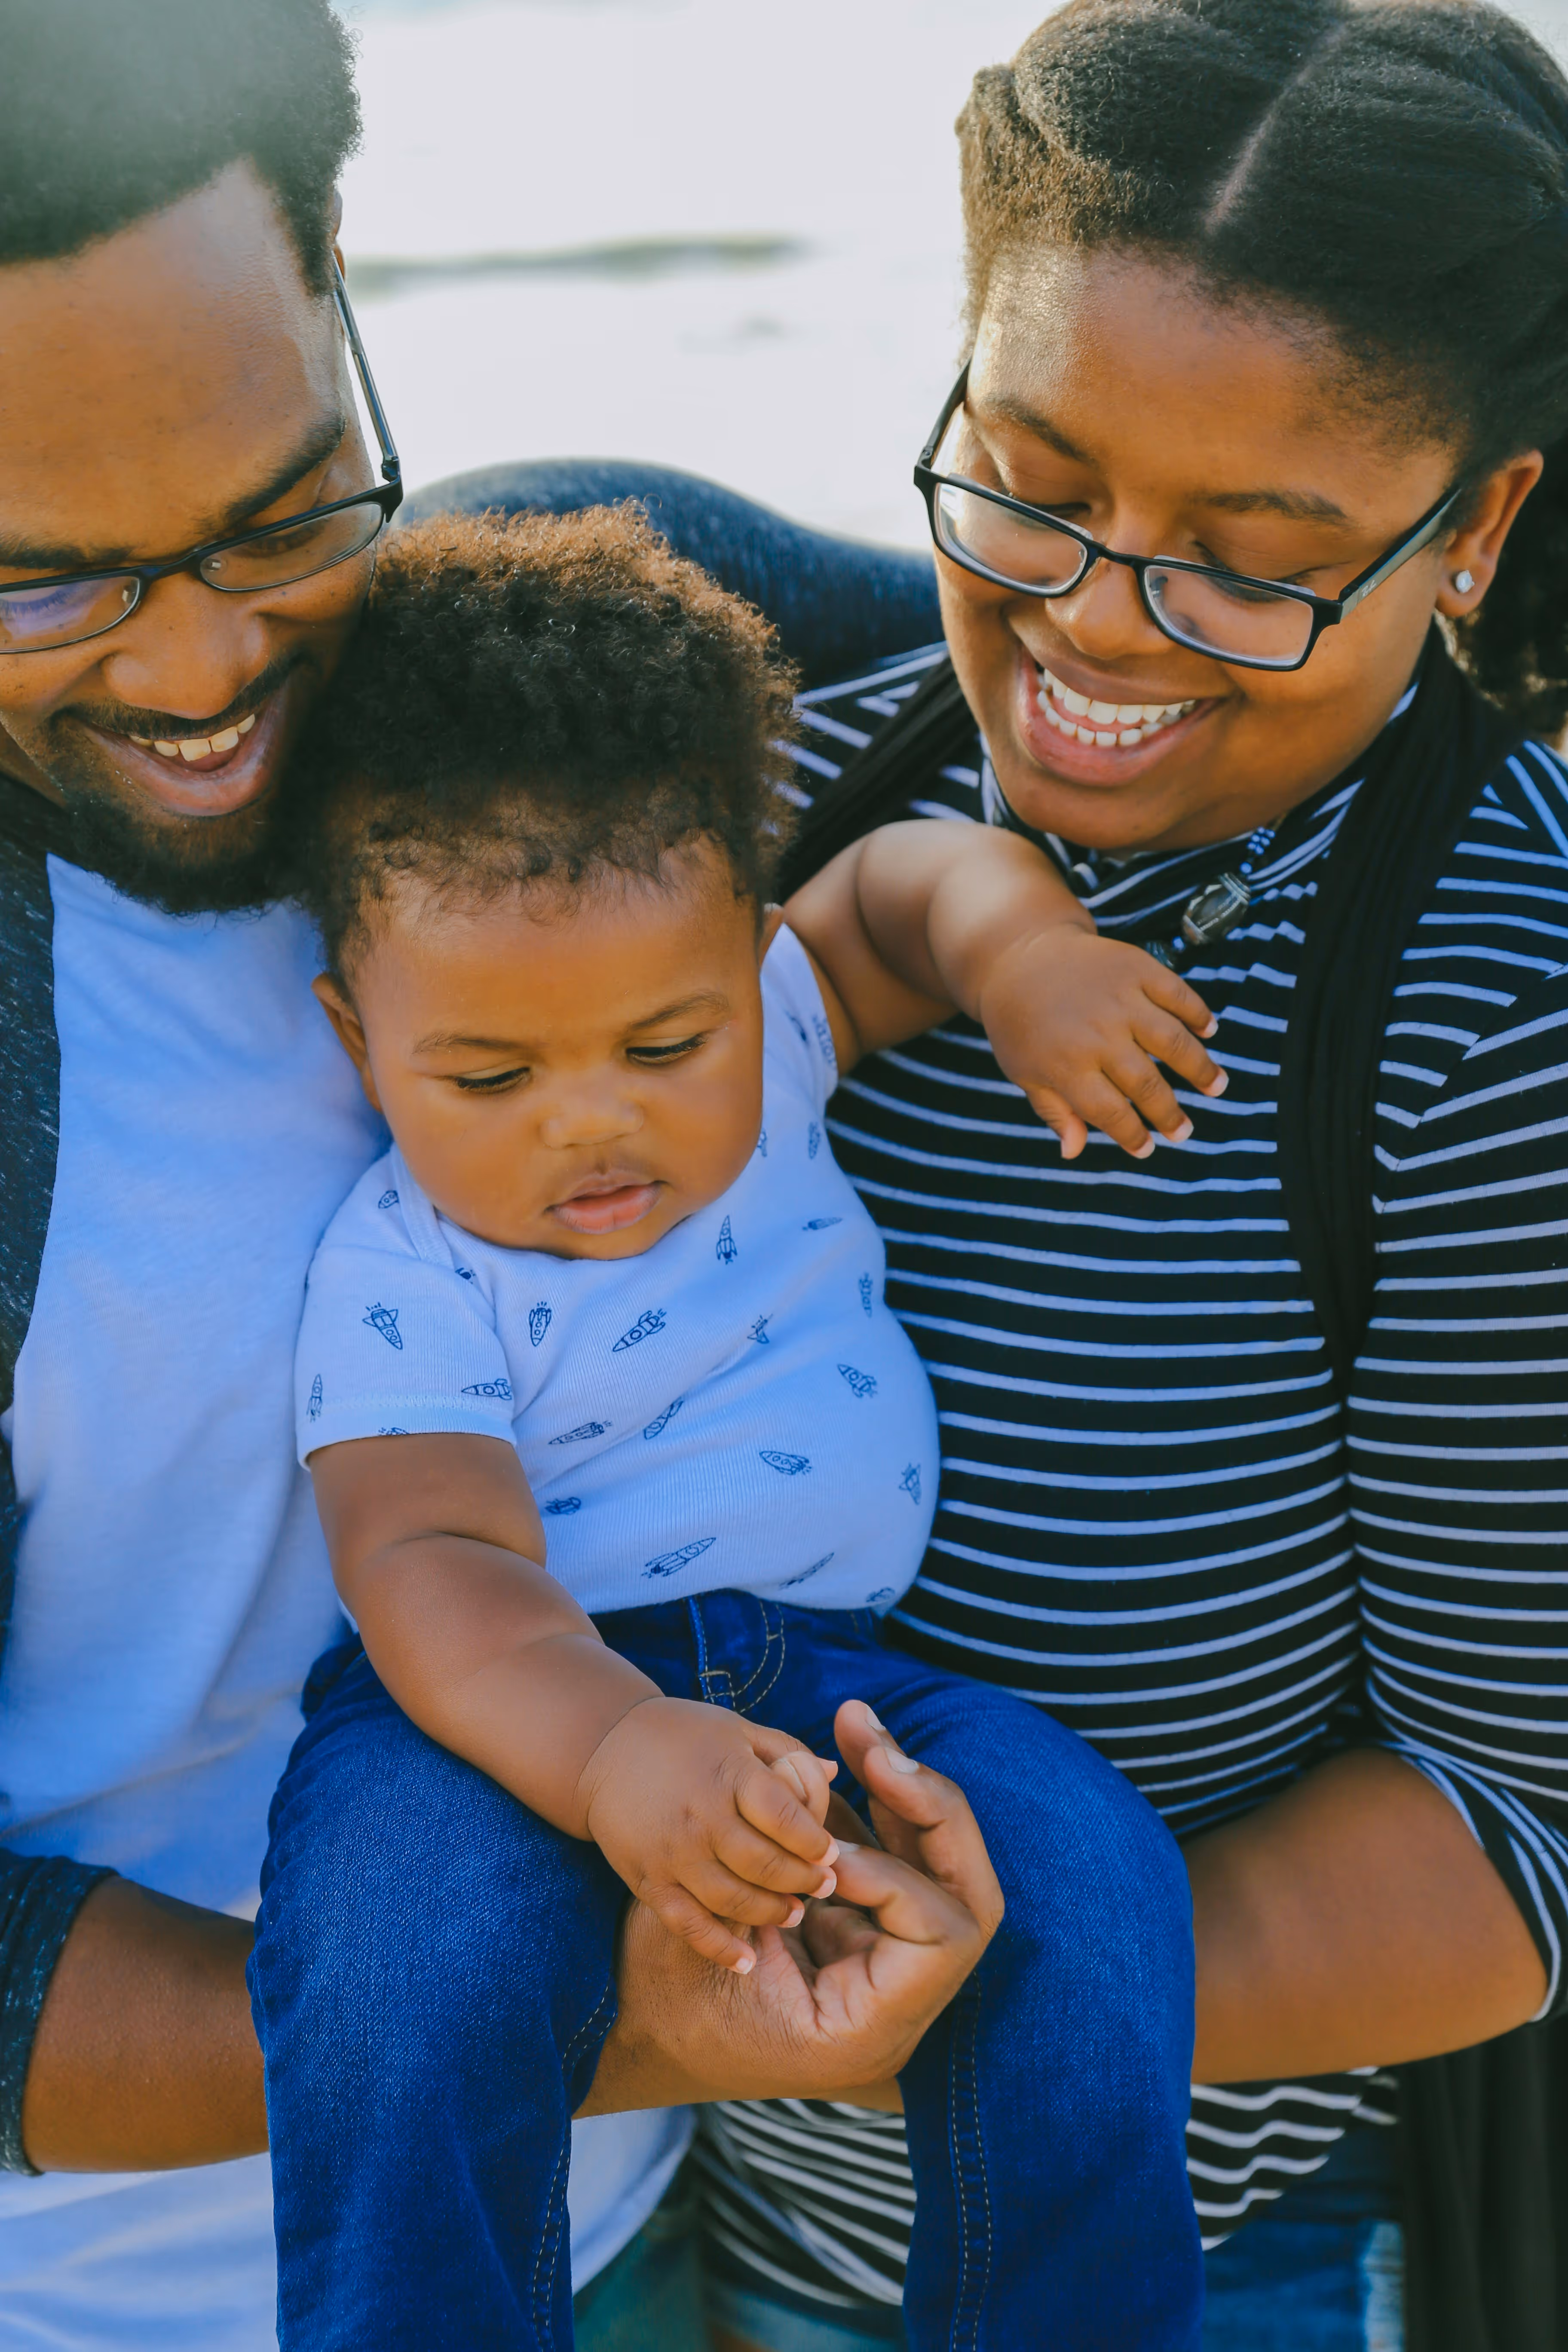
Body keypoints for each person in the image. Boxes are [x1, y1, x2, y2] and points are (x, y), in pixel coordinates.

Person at [0, 7, 1005, 2347]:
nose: (209, 655)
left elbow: (1078, 631)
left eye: (284, 511)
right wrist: (665, 2012)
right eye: (49, 579)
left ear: (342, 277)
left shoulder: (576, 642)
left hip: (638, 2241)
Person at [254, 502, 1213, 2348]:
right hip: (498, 1723)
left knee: (1092, 1898)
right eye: (487, 1074)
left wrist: (1024, 961)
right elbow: (429, 1563)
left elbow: (916, 883)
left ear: (750, 963)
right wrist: (618, 1757)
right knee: (393, 1974)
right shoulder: (399, 1269)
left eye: (661, 1046)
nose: (588, 1123)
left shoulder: (776, 1020)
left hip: (849, 1688)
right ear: (353, 1031)